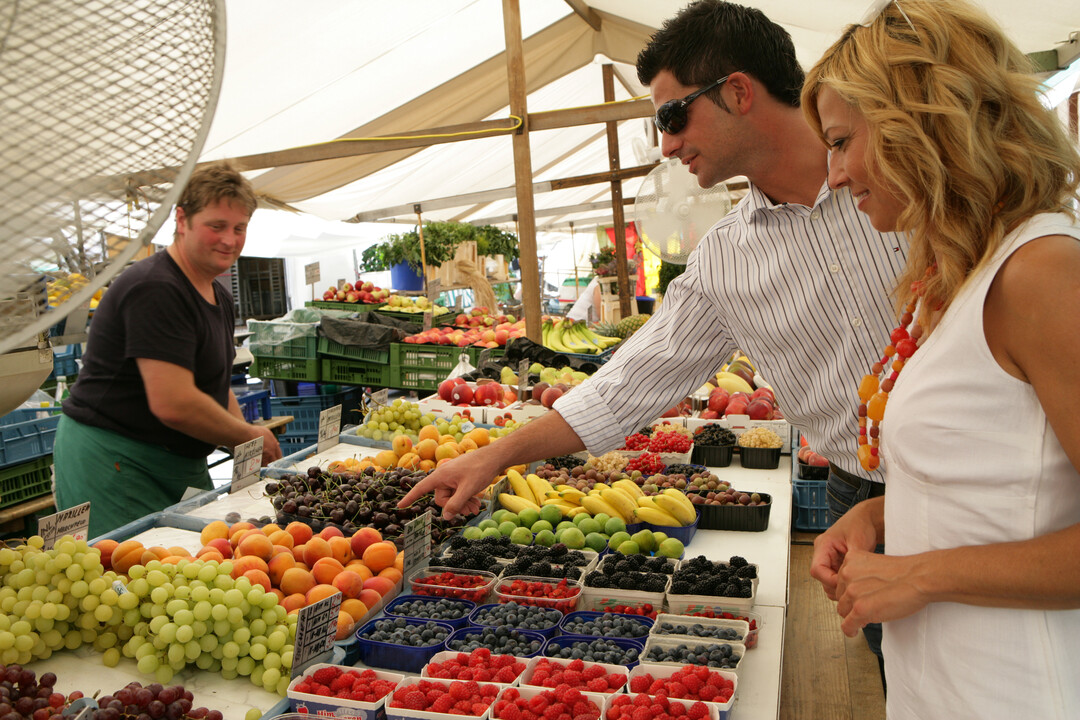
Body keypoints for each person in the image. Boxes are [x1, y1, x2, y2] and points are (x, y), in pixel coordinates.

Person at [400, 0, 906, 680]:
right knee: (912, 672)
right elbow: (629, 384)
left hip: (994, 474)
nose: (665, 144)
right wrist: (496, 456)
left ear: (737, 91)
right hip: (860, 494)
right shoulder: (726, 257)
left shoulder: (908, 183)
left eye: (671, 115)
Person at [802, 0, 1080, 716]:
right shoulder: (960, 272)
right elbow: (1008, 482)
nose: (832, 176)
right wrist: (884, 517)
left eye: (840, 141)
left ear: (918, 121)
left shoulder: (1041, 273)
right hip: (942, 685)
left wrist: (923, 575)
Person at [54, 161, 283, 539]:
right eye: (216, 226)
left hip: (175, 458)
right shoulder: (156, 288)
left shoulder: (218, 296)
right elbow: (173, 402)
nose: (229, 239)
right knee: (129, 576)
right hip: (115, 458)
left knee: (204, 557)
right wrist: (245, 436)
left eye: (239, 228)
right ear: (182, 219)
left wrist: (247, 437)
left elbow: (213, 385)